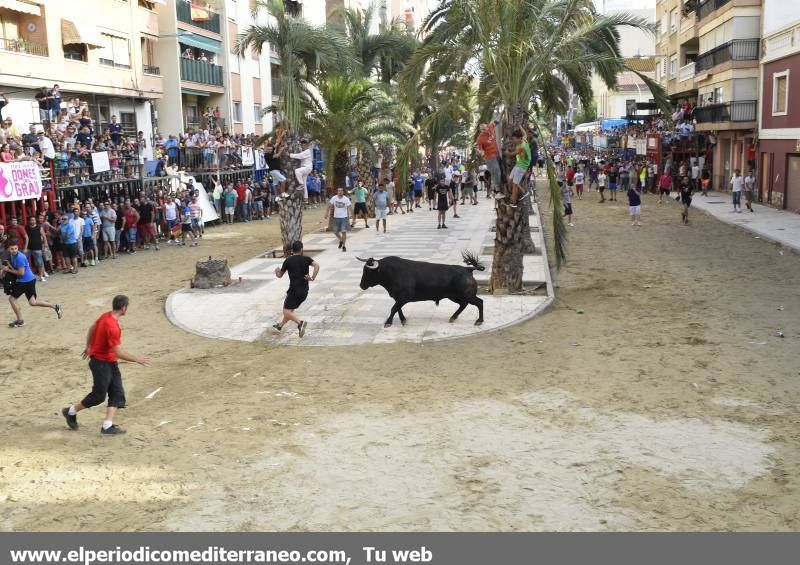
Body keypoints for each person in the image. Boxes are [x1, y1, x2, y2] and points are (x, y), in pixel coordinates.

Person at [61, 295, 149, 435]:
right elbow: (118, 352)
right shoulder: (112, 327)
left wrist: (89, 346)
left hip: (109, 362)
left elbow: (92, 328)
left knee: (117, 393)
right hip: (101, 364)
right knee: (98, 396)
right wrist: (136, 359)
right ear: (123, 308)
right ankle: (70, 412)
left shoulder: (105, 316)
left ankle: (107, 426)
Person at [2, 240, 62, 328]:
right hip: (30, 280)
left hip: (25, 281)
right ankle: (55, 306)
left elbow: (21, 273)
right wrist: (9, 267)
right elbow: (17, 268)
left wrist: (8, 270)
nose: (14, 250)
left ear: (18, 248)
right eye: (12, 249)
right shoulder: (12, 255)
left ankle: (20, 321)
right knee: (33, 302)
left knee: (12, 299)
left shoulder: (20, 257)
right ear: (8, 249)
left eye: (15, 248)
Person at [272, 241, 319, 338]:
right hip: (304, 292)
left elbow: (280, 275)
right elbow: (317, 265)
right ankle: (280, 326)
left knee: (286, 311)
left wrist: (277, 270)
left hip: (294, 291)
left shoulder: (288, 260)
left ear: (292, 250)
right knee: (290, 311)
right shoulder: (306, 259)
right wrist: (312, 277)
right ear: (301, 249)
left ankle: (300, 323)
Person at [505, 129, 531, 207]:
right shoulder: (523, 140)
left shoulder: (522, 147)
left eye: (514, 139)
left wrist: (506, 153)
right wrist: (520, 127)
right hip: (518, 164)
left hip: (521, 167)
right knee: (510, 179)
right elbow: (524, 133)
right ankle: (523, 192)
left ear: (519, 138)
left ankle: (513, 202)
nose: (513, 141)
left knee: (515, 185)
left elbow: (512, 154)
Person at [475, 121, 502, 195]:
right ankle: (497, 190)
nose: (484, 130)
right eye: (482, 129)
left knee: (501, 171)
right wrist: (479, 152)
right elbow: (480, 150)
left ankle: (499, 187)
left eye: (485, 128)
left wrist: (500, 120)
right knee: (496, 171)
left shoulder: (490, 127)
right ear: (480, 130)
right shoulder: (480, 139)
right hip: (490, 157)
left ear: (487, 127)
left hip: (497, 154)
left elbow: (496, 121)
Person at [326, 187, 351, 252]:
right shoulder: (334, 198)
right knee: (335, 232)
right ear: (337, 192)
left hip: (344, 218)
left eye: (341, 191)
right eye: (338, 191)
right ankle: (341, 240)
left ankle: (344, 246)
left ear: (343, 192)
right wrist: (326, 213)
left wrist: (353, 218)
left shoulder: (346, 199)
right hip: (336, 217)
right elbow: (329, 205)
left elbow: (350, 208)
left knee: (343, 232)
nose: (340, 192)